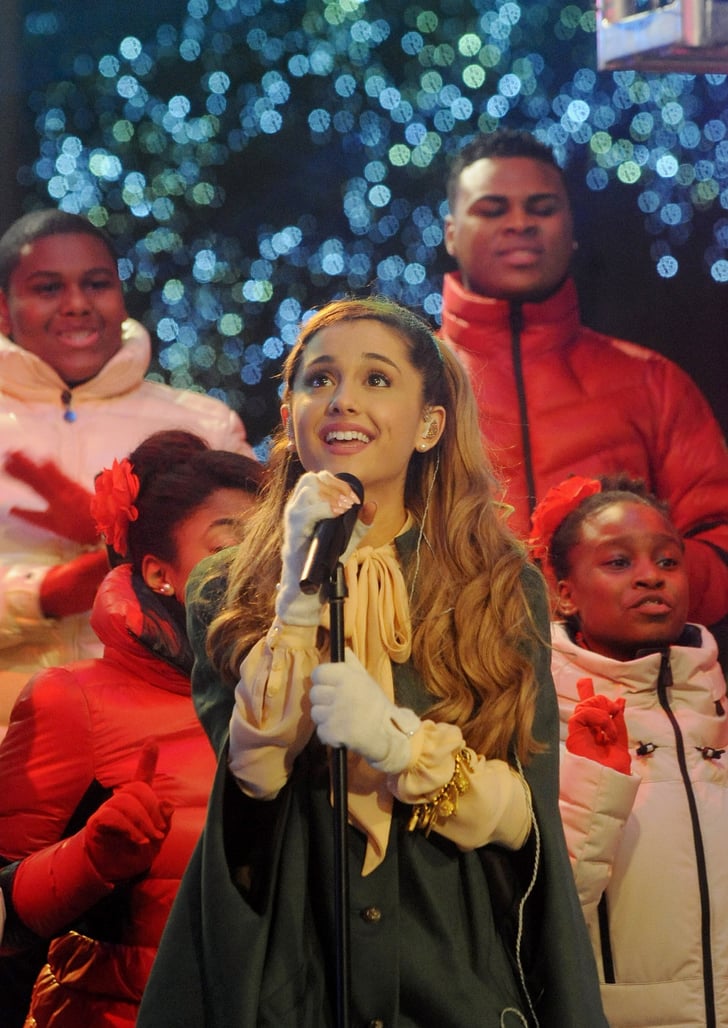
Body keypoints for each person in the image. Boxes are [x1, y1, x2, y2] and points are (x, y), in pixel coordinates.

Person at [137, 297, 606, 1027]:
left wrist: (398, 746)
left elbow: (524, 820)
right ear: (290, 411)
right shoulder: (227, 586)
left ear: (429, 424)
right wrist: (297, 592)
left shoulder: (498, 580)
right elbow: (254, 779)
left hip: (452, 964)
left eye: (377, 380)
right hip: (298, 969)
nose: (342, 399)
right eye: (319, 379)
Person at [0, 429, 264, 1028]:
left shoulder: (318, 695)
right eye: (230, 544)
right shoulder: (75, 700)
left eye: (272, 543)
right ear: (159, 572)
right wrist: (92, 857)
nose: (260, 564)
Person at [441, 127, 728, 639]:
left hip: (630, 697)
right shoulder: (407, 384)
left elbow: (718, 535)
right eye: (492, 209)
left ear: (571, 229)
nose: (520, 224)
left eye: (541, 207)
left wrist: (632, 603)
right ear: (450, 233)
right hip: (449, 687)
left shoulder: (650, 381)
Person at [0, 208, 255, 725]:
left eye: (96, 284)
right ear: (3, 310)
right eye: (48, 288)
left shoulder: (203, 425)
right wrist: (47, 593)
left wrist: (115, 549)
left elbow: (254, 586)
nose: (76, 305)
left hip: (163, 734)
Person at [529, 473, 728, 1027]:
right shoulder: (539, 711)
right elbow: (535, 917)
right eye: (618, 562)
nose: (650, 577)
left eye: (667, 561)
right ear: (564, 589)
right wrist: (594, 781)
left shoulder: (717, 706)